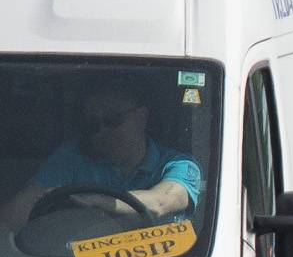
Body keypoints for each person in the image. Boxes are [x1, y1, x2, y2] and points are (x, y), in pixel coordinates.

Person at [1, 79, 202, 232]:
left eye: (113, 120)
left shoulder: (178, 164)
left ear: (142, 116)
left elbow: (161, 202)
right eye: (92, 125)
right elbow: (14, 217)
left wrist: (96, 201)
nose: (102, 131)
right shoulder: (71, 158)